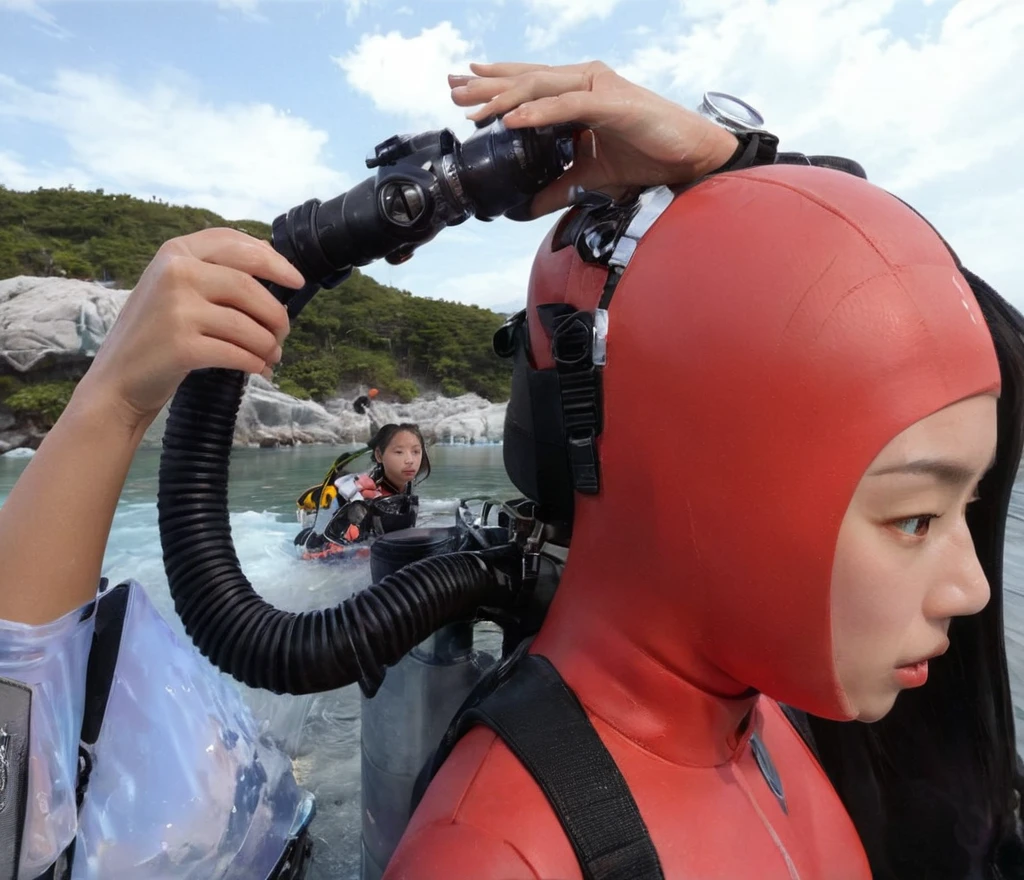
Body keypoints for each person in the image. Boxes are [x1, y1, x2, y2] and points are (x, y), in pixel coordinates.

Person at [381, 62, 1024, 879]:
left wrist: (739, 168)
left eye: (967, 506)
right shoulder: (497, 859)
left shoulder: (767, 714)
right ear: (702, 484)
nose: (972, 590)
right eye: (915, 520)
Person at [296, 423, 430, 560]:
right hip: (313, 542)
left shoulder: (404, 486)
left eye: (415, 452)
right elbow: (314, 554)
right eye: (399, 452)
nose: (410, 460)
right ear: (379, 455)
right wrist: (363, 554)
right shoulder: (363, 498)